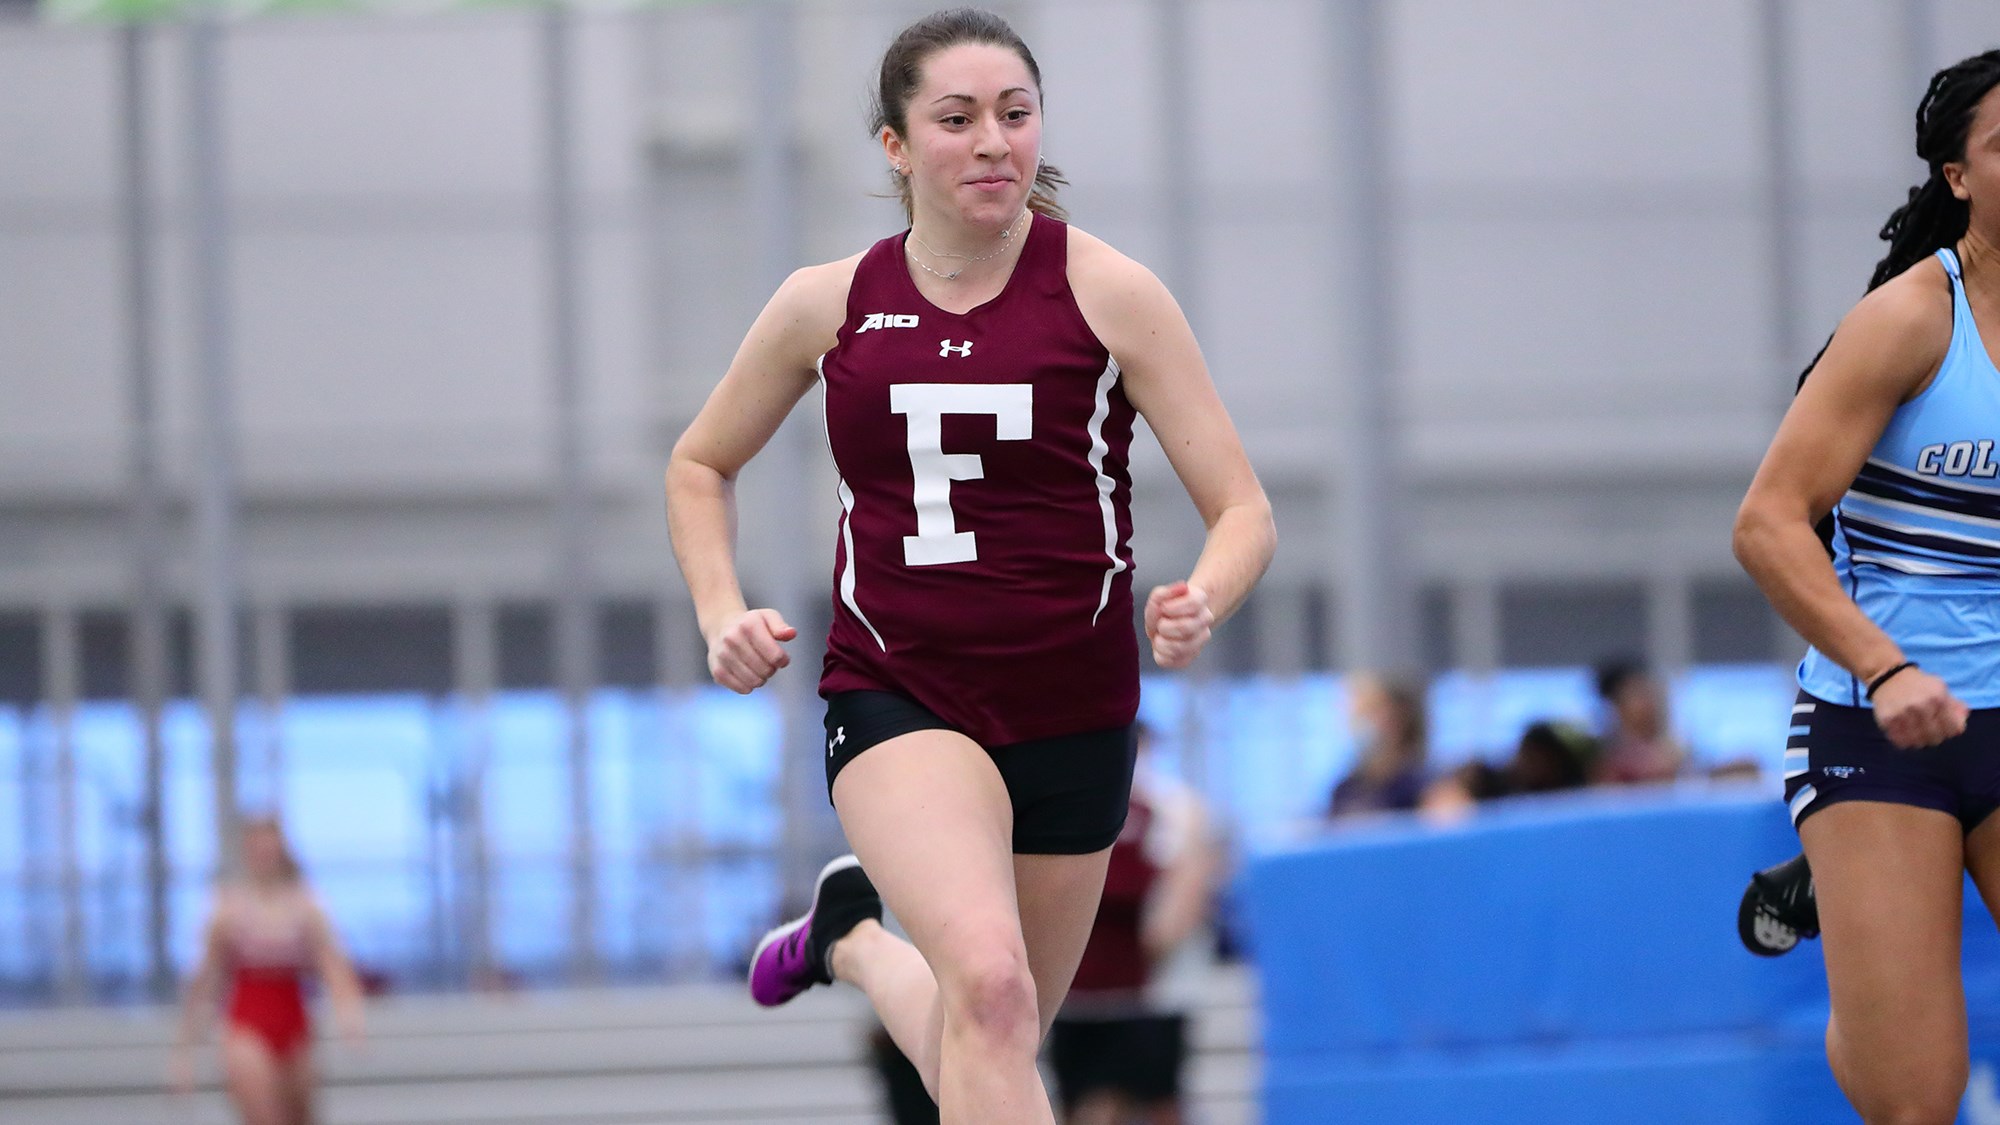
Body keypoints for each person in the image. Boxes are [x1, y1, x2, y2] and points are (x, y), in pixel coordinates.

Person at [662, 9, 1275, 1122]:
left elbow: (1242, 510)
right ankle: (853, 933)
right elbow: (700, 462)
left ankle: (848, 942)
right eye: (956, 119)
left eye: (1014, 113)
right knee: (989, 993)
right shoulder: (827, 302)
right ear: (895, 146)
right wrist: (719, 610)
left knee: (987, 1037)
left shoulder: (1108, 293)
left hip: (1074, 709)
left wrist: (1203, 598)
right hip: (900, 690)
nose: (993, 141)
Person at [1731, 49, 2000, 1123]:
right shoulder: (1908, 321)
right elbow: (1764, 524)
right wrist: (1882, 669)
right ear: (1958, 178)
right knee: (1915, 1098)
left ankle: (1840, 905)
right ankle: (1859, 910)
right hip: (1884, 734)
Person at [1046, 723, 1223, 1125]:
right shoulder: (1073, 801)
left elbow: (1184, 892)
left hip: (1148, 990)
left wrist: (1153, 946)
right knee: (1083, 1100)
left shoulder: (1170, 806)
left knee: (1156, 1098)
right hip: (1080, 989)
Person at [171, 816, 366, 1125]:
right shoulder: (228, 908)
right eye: (257, 847)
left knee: (300, 1116)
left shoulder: (305, 905)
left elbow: (333, 965)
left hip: (293, 1019)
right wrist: (184, 1051)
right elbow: (205, 979)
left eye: (270, 847)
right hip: (248, 1021)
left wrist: (350, 1013)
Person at [1325, 674, 1428, 819]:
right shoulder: (1344, 789)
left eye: (1370, 711)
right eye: (1357, 714)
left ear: (1398, 716)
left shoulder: (1422, 787)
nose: (1361, 721)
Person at [1589, 660, 1686, 786]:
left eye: (1651, 694)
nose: (1650, 703)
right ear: (1616, 703)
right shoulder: (1605, 760)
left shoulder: (1673, 751)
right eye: (1639, 695)